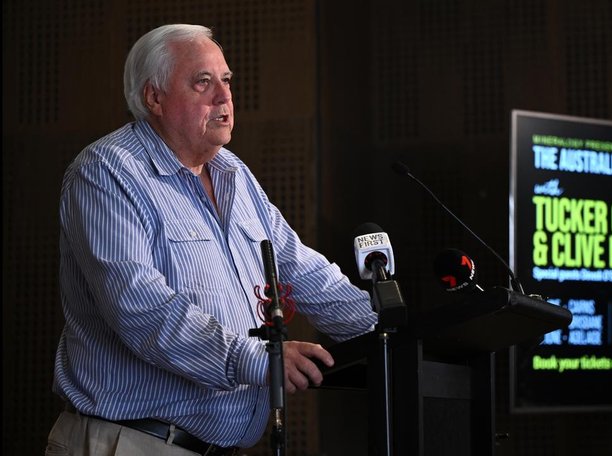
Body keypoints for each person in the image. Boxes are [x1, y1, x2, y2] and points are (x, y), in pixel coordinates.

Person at [45, 24, 377, 455]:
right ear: (154, 98)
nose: (224, 97)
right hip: (132, 442)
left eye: (226, 80)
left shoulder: (233, 172)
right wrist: (258, 359)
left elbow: (303, 269)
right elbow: (141, 310)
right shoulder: (108, 172)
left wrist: (392, 331)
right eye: (203, 83)